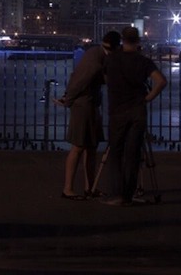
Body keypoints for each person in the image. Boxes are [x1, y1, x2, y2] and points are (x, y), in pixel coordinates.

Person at [101, 26, 167, 206]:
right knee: (133, 154)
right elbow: (161, 81)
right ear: (138, 41)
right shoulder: (143, 61)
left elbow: (106, 79)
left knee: (116, 153)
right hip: (137, 111)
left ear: (122, 40)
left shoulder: (111, 59)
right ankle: (128, 195)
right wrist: (147, 98)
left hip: (117, 111)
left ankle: (116, 194)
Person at [55, 30, 119, 199]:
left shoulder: (94, 53)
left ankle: (90, 187)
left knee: (90, 147)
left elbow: (79, 78)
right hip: (84, 106)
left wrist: (67, 98)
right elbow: (80, 81)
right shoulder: (96, 62)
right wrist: (67, 99)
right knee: (79, 146)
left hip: (89, 104)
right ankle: (68, 189)